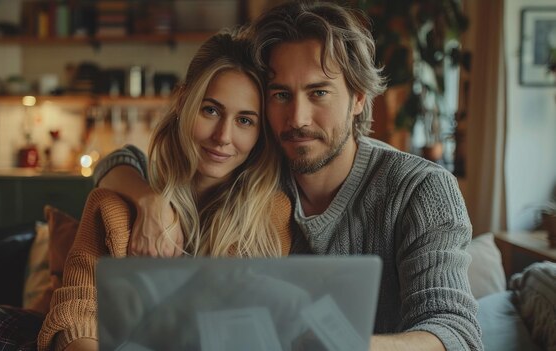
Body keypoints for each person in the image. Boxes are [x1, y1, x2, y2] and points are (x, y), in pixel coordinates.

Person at [114, 2, 483, 351]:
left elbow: (455, 332)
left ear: (357, 97)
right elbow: (123, 159)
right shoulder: (253, 169)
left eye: (318, 92)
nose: (298, 119)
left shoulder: (420, 188)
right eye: (280, 95)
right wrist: (148, 199)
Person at [37, 30, 293, 351]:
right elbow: (78, 316)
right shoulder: (113, 207)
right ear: (184, 102)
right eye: (210, 110)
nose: (223, 136)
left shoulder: (271, 215)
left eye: (245, 120)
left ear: (261, 132)